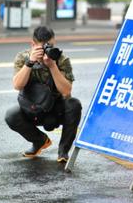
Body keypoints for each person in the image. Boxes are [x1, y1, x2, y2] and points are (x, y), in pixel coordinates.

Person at [5, 26, 82, 163]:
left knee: (74, 104)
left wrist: (52, 66)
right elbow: (17, 85)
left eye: (51, 46)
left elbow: (66, 91)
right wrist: (30, 63)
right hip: (33, 108)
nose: (48, 50)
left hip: (55, 108)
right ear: (33, 45)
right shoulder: (23, 57)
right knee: (11, 115)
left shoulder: (61, 59)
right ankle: (40, 141)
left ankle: (63, 151)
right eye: (44, 47)